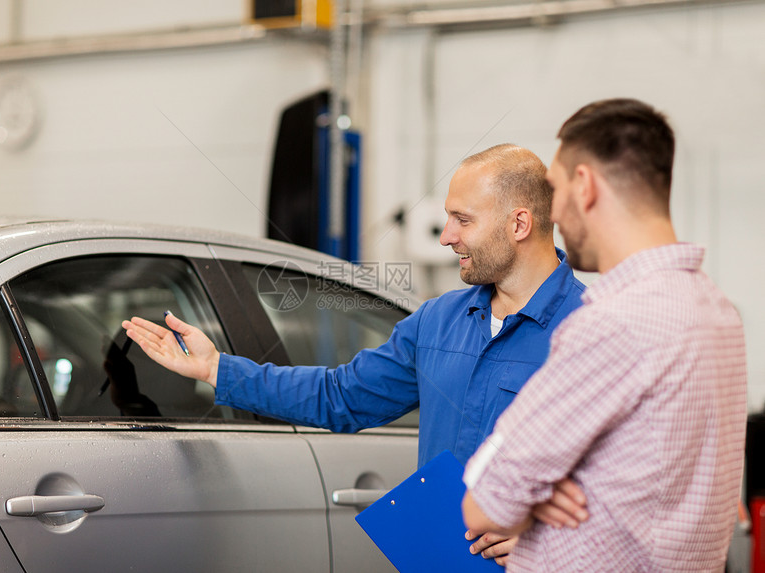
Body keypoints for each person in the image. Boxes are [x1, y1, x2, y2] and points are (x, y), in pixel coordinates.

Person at [123, 143, 586, 565]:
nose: (447, 237)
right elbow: (339, 396)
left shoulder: (592, 330)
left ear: (519, 224)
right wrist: (217, 369)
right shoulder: (437, 321)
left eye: (463, 220)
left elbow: (640, 476)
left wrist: (552, 535)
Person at [461, 99, 748, 572]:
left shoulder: (613, 322)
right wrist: (550, 487)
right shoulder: (717, 311)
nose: (552, 212)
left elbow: (486, 501)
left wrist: (532, 491)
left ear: (585, 186)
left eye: (554, 189)